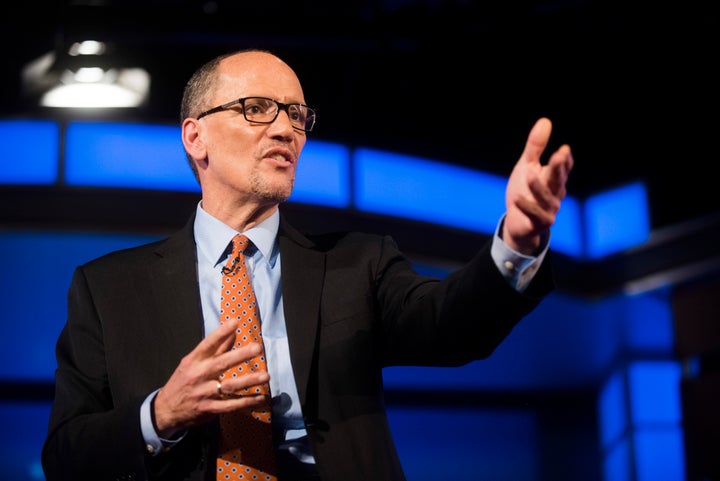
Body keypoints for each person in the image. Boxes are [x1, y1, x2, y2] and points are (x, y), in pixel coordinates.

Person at [41, 48, 574, 481]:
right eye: (256, 109)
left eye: (297, 115)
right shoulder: (108, 288)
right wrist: (161, 414)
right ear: (194, 137)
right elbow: (66, 455)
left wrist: (517, 243)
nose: (285, 130)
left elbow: (451, 325)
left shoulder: (358, 263)